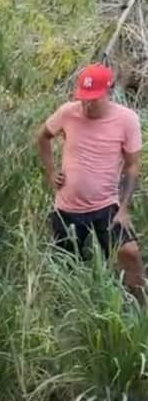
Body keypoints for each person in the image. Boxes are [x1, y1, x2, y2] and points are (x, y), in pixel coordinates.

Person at [37, 63, 144, 299]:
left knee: (129, 252)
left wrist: (124, 208)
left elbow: (132, 165)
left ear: (109, 91)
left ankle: (141, 309)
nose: (87, 104)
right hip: (68, 207)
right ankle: (68, 323)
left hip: (105, 205)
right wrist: (51, 171)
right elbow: (43, 136)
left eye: (93, 99)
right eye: (83, 99)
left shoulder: (127, 120)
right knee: (64, 269)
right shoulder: (68, 112)